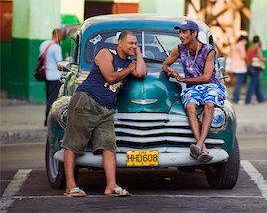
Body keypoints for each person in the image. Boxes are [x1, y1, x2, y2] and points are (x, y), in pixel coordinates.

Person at [62, 30, 147, 197]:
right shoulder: (105, 54)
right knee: (74, 143)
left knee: (109, 145)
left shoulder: (129, 62)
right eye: (130, 43)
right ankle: (70, 186)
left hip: (106, 108)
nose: (134, 46)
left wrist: (138, 54)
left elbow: (142, 72)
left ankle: (111, 185)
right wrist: (130, 68)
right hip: (86, 101)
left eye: (136, 44)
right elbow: (110, 77)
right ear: (120, 43)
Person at [162, 20, 226, 164]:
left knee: (209, 105)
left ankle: (198, 145)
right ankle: (201, 145)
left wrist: (182, 79)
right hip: (192, 88)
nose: (181, 35)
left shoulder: (208, 50)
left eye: (184, 32)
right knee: (190, 106)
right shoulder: (179, 49)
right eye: (180, 32)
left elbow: (206, 77)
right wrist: (170, 70)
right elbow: (165, 64)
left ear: (194, 34)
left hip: (211, 86)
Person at [40, 28, 65, 126]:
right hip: (55, 76)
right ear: (58, 35)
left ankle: (46, 120)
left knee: (48, 98)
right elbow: (60, 62)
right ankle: (49, 121)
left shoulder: (44, 44)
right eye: (62, 35)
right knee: (53, 100)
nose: (62, 37)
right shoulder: (56, 47)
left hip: (46, 75)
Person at [245, 35, 267, 105]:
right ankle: (248, 100)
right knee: (253, 84)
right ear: (258, 41)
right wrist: (266, 60)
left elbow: (247, 57)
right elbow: (261, 58)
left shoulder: (250, 47)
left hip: (249, 66)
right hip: (255, 67)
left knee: (256, 84)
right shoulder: (258, 47)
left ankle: (260, 99)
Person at [230, 35, 248, 104]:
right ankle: (237, 98)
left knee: (236, 83)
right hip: (240, 67)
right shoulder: (241, 45)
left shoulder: (235, 45)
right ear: (244, 40)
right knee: (239, 84)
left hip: (234, 66)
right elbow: (243, 56)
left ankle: (235, 97)